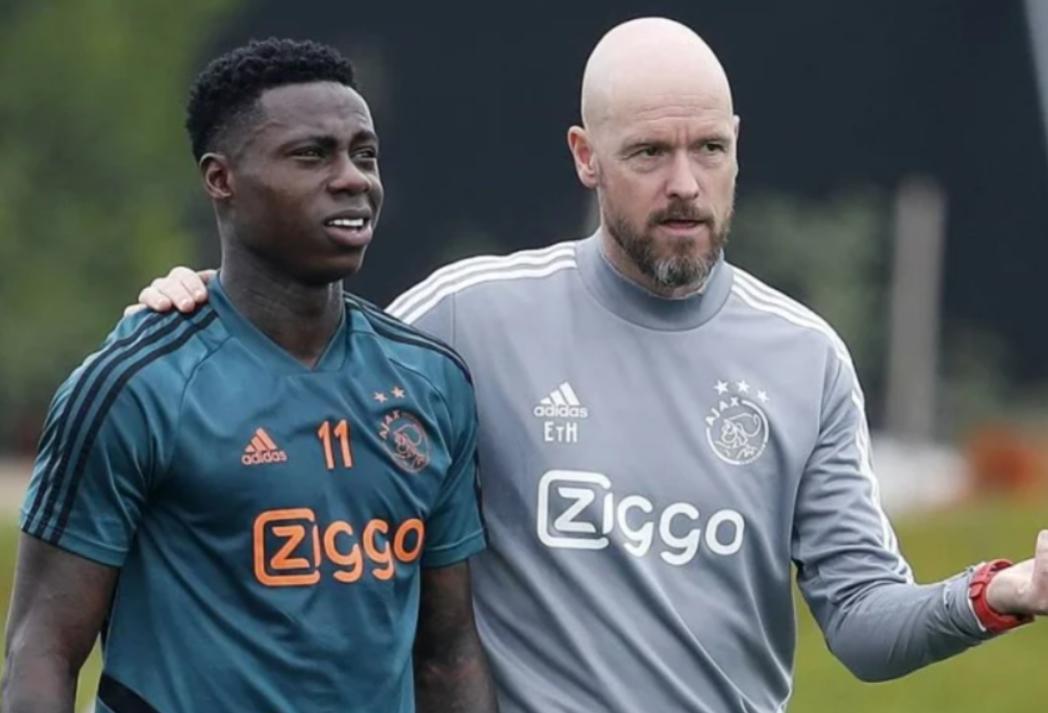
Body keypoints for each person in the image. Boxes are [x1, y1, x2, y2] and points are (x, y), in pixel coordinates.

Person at [129, 18, 1048, 713]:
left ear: (737, 146)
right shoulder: (470, 316)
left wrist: (1007, 591)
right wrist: (204, 302)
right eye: (648, 152)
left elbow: (864, 622)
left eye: (709, 149)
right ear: (586, 157)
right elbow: (295, 366)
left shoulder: (806, 360)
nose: (683, 182)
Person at [2, 38, 498, 713]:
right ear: (221, 178)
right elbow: (42, 649)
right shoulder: (135, 385)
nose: (353, 178)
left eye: (364, 154)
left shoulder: (431, 382)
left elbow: (447, 653)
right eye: (311, 155)